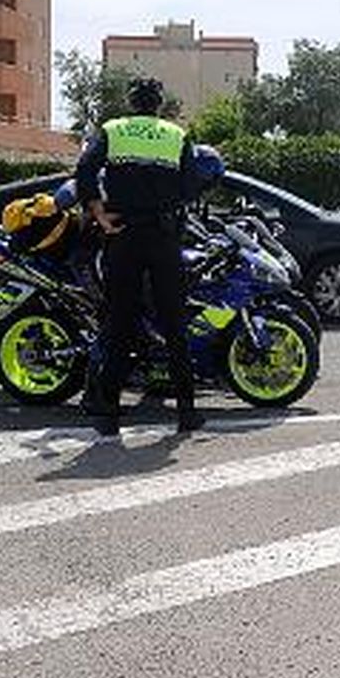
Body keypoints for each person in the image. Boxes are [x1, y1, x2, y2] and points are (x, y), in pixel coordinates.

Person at [75, 77, 204, 437]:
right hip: (163, 238)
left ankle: (108, 414)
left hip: (123, 236)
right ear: (159, 103)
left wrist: (100, 214)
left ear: (132, 103)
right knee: (174, 325)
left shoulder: (113, 129)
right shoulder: (176, 135)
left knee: (120, 322)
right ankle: (186, 413)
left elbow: (85, 169)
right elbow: (191, 187)